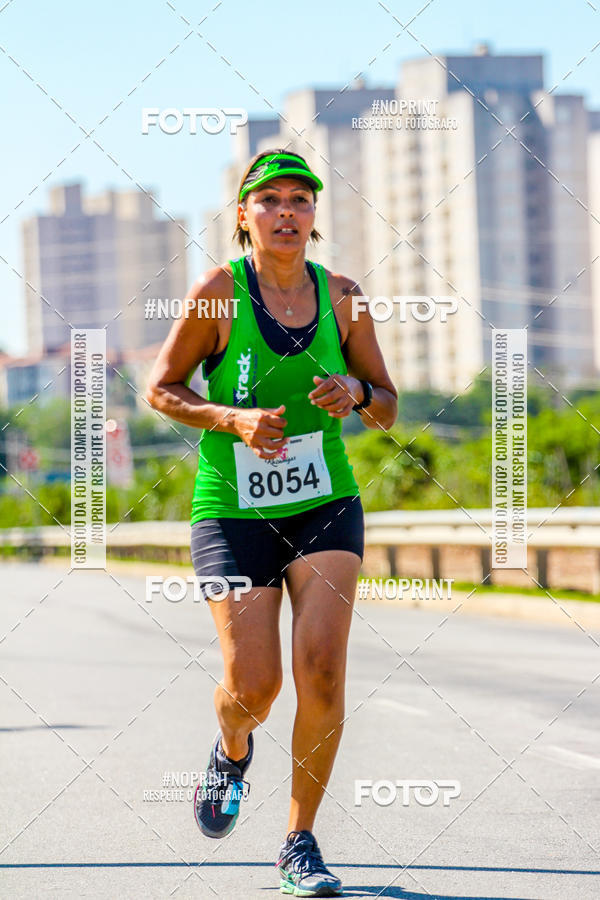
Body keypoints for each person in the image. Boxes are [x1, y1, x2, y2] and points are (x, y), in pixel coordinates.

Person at [146, 149, 397, 897]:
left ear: (314, 216)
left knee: (321, 668)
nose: (287, 212)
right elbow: (162, 388)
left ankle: (299, 842)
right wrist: (233, 417)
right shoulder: (218, 294)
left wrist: (356, 391)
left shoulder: (344, 297)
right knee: (254, 687)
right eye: (271, 200)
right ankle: (231, 747)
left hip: (325, 502)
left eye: (300, 200)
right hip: (233, 508)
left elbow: (387, 405)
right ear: (244, 215)